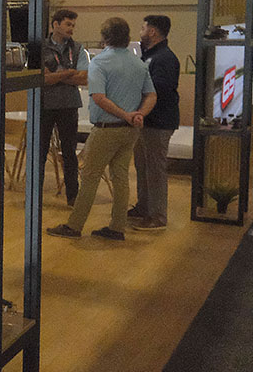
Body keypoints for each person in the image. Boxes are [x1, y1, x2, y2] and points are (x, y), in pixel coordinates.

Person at [47, 17, 156, 241]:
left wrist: (125, 114)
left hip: (106, 128)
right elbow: (151, 95)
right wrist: (138, 114)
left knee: (89, 177)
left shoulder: (100, 62)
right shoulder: (138, 63)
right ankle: (117, 227)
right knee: (121, 177)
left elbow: (98, 97)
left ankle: (74, 226)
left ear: (105, 37)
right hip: (130, 130)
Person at [129, 15, 180, 231]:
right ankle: (144, 207)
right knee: (142, 166)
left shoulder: (164, 58)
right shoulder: (148, 56)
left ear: (152, 32)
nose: (140, 32)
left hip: (158, 122)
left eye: (143, 28)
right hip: (145, 120)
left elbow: (159, 90)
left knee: (155, 169)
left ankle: (157, 216)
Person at [33, 9, 88, 207]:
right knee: (39, 152)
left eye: (73, 25)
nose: (71, 29)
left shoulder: (78, 48)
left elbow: (83, 78)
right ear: (55, 24)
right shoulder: (39, 47)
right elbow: (41, 79)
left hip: (69, 105)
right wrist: (68, 73)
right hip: (44, 105)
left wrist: (55, 75)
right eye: (68, 24)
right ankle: (34, 197)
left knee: (69, 153)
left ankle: (73, 197)